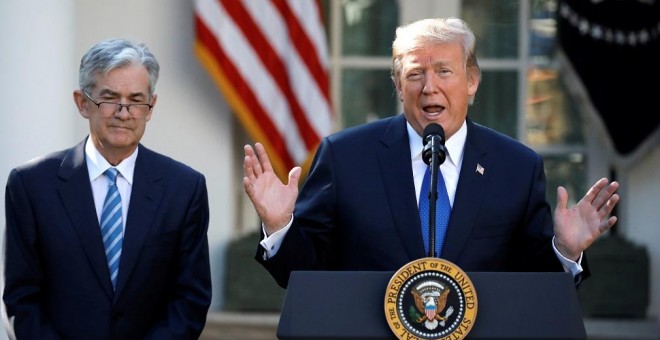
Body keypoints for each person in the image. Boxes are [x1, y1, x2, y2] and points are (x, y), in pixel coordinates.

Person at [243, 18, 619, 289]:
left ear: (471, 82)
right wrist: (280, 227)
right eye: (414, 74)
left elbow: (534, 288)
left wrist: (565, 250)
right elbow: (304, 275)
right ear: (397, 84)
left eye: (444, 71)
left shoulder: (516, 166)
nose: (429, 87)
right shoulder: (345, 157)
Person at [3, 39, 212, 339]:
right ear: (82, 103)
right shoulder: (31, 185)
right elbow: (20, 300)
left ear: (151, 106)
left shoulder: (184, 188)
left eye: (136, 100)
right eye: (110, 98)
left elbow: (190, 301)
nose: (124, 113)